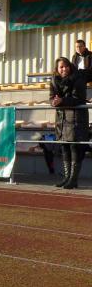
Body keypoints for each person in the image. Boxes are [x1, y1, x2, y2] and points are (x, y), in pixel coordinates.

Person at [50, 57, 89, 189]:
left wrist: (62, 101)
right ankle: (67, 177)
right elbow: (51, 97)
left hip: (76, 118)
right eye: (61, 67)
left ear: (70, 67)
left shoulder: (78, 78)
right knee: (64, 147)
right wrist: (53, 102)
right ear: (57, 69)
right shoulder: (54, 80)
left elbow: (79, 99)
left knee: (74, 147)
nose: (64, 69)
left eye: (66, 66)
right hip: (62, 118)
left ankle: (73, 179)